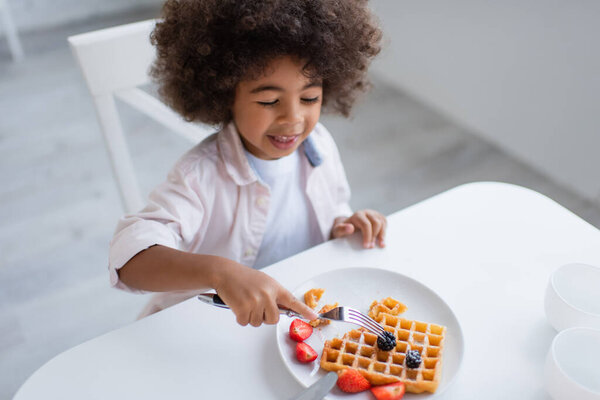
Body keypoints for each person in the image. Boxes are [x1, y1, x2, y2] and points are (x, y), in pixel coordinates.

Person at [109, 0, 385, 326]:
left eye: (310, 98)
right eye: (269, 101)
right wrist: (219, 272)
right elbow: (128, 259)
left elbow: (331, 206)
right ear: (225, 95)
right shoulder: (199, 176)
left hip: (290, 322)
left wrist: (344, 224)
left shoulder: (320, 145)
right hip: (206, 328)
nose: (293, 118)